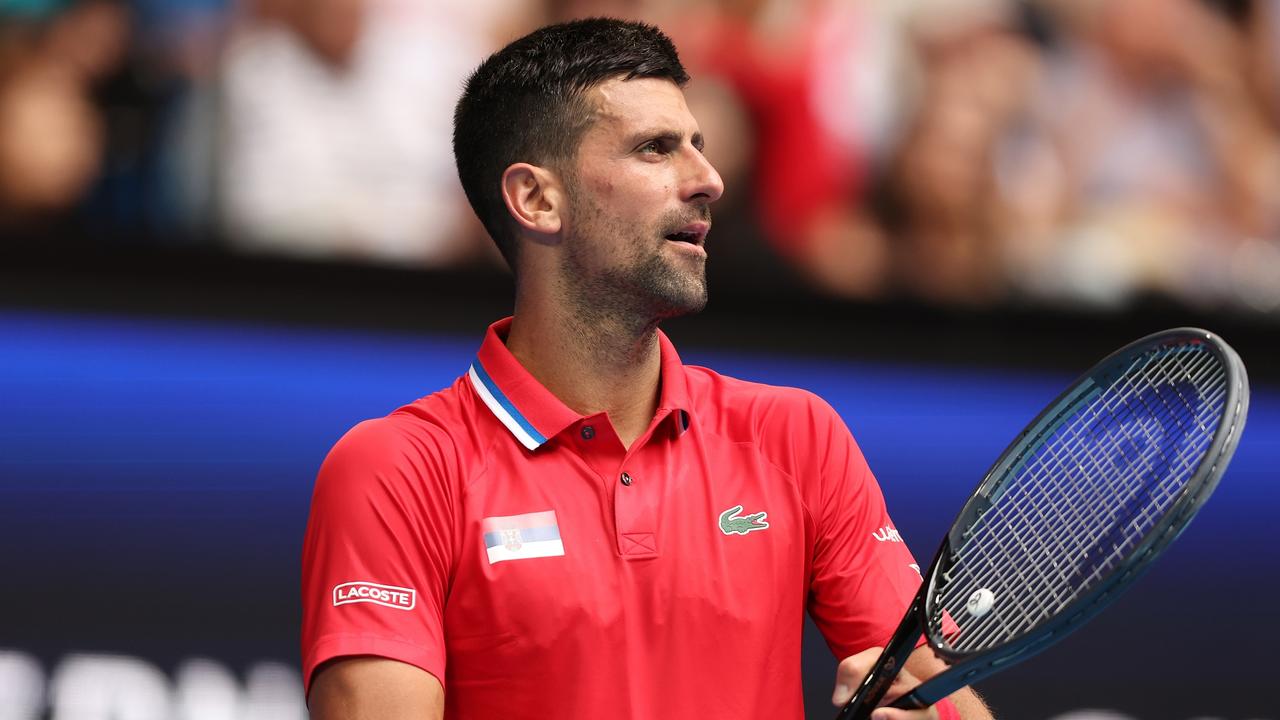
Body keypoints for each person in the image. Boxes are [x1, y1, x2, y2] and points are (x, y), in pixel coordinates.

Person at [300, 17, 992, 720]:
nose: (710, 180)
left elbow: (945, 701)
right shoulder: (395, 470)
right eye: (656, 150)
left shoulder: (797, 437)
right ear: (537, 199)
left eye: (699, 146)